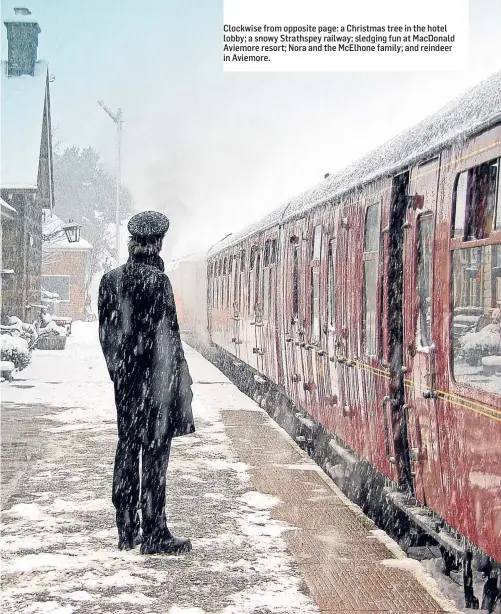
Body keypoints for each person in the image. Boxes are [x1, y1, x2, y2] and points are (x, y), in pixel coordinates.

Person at [98, 211, 195, 555]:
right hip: (156, 387)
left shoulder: (110, 280)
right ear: (156, 243)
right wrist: (176, 385)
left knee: (126, 449)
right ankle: (155, 532)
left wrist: (121, 373)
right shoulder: (158, 282)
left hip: (126, 385)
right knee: (154, 457)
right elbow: (168, 340)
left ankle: (126, 530)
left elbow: (107, 336)